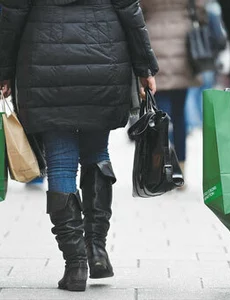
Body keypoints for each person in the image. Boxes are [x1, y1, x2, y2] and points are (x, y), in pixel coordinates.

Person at [0, 0, 158, 292]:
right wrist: (144, 66)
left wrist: (5, 70)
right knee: (97, 153)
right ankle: (96, 249)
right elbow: (129, 10)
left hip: (43, 62)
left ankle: (75, 265)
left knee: (60, 162)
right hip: (102, 56)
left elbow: (12, 15)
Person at [140, 0, 206, 175]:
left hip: (153, 40)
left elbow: (137, 9)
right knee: (179, 114)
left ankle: (163, 166)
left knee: (160, 115)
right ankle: (180, 167)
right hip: (182, 42)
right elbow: (200, 9)